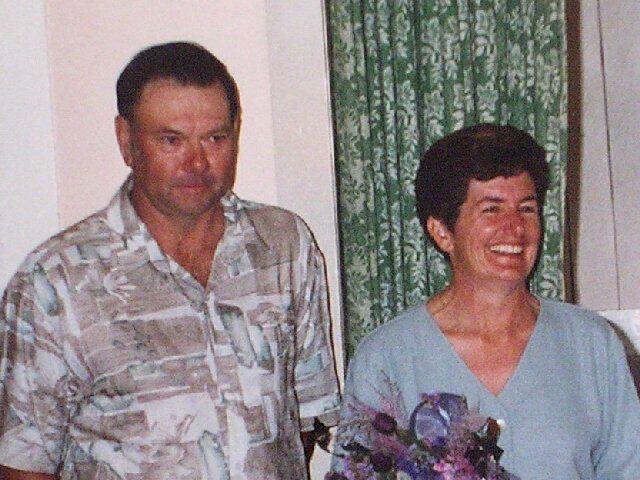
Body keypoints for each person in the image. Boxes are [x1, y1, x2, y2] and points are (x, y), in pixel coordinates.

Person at [0, 42, 340, 480]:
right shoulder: (56, 281)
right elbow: (24, 462)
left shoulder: (284, 246)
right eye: (171, 140)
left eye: (215, 138)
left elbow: (304, 418)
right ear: (126, 141)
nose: (197, 162)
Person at [333, 124, 640, 479]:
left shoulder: (591, 343)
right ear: (442, 232)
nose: (515, 228)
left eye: (527, 209)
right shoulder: (388, 357)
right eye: (492, 210)